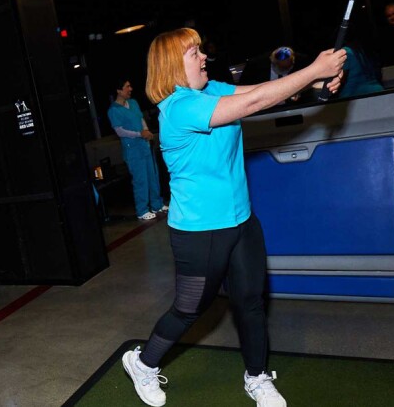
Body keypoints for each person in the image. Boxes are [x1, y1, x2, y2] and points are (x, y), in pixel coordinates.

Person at [122, 28, 345, 407]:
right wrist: (312, 71)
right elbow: (251, 104)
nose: (203, 56)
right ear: (173, 66)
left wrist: (314, 83)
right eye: (194, 53)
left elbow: (261, 93)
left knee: (250, 300)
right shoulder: (178, 108)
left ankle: (257, 376)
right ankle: (142, 363)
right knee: (190, 308)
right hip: (199, 231)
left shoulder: (211, 91)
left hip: (241, 221)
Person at [107, 79, 167, 221]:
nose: (130, 89)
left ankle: (157, 204)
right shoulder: (113, 110)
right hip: (133, 150)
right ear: (118, 90)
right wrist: (139, 134)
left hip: (144, 146)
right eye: (127, 86)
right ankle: (142, 210)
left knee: (153, 176)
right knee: (141, 180)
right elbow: (120, 131)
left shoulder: (133, 103)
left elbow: (141, 120)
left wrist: (146, 131)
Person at [239, 46, 312, 104]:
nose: (284, 71)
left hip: (293, 107)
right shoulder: (254, 67)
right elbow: (243, 90)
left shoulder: (303, 64)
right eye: (281, 68)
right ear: (272, 61)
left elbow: (309, 89)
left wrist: (300, 93)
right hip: (264, 110)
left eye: (287, 68)